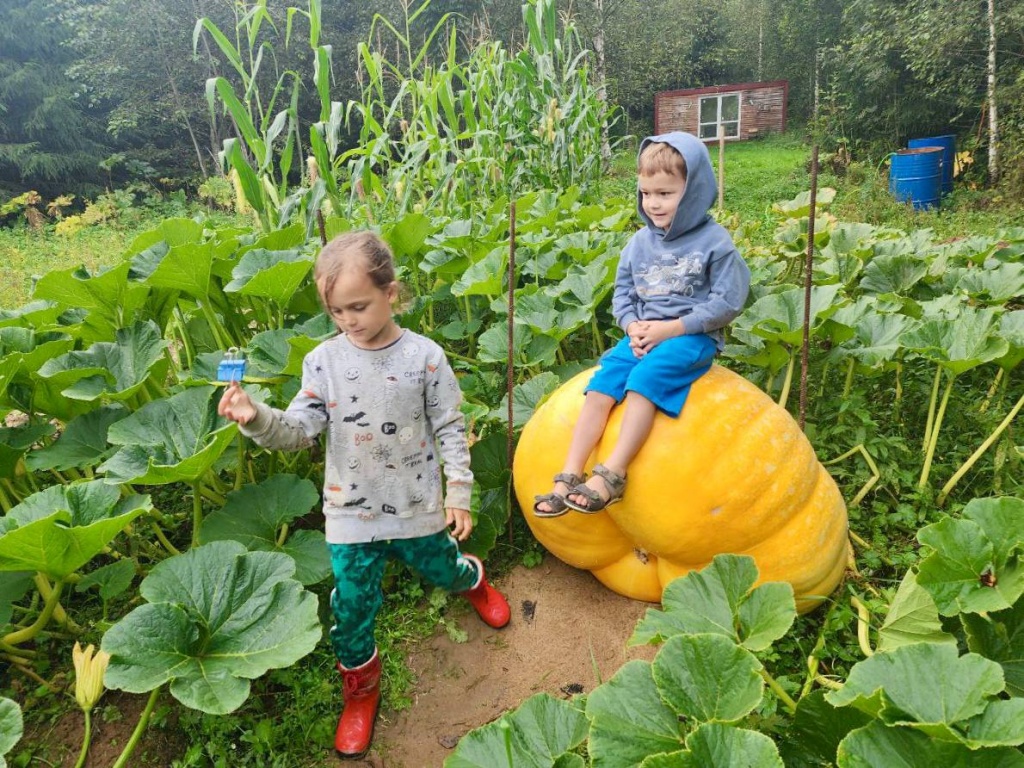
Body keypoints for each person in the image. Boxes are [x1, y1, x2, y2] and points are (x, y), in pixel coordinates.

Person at [218, 230, 511, 760]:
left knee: (442, 570)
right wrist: (255, 417)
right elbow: (300, 430)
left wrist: (459, 490)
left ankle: (472, 578)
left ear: (391, 293)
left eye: (359, 305)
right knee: (352, 608)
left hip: (417, 503)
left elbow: (449, 426)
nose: (348, 319)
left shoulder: (425, 357)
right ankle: (362, 691)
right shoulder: (323, 362)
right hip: (350, 511)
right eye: (336, 311)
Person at [534, 131, 750, 517]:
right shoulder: (638, 244)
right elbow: (623, 294)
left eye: (665, 193)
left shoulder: (716, 242)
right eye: (647, 193)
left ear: (694, 189)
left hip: (691, 337)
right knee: (600, 387)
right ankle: (569, 472)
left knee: (644, 381)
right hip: (643, 335)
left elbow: (729, 301)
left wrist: (673, 328)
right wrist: (631, 325)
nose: (653, 203)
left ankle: (612, 474)